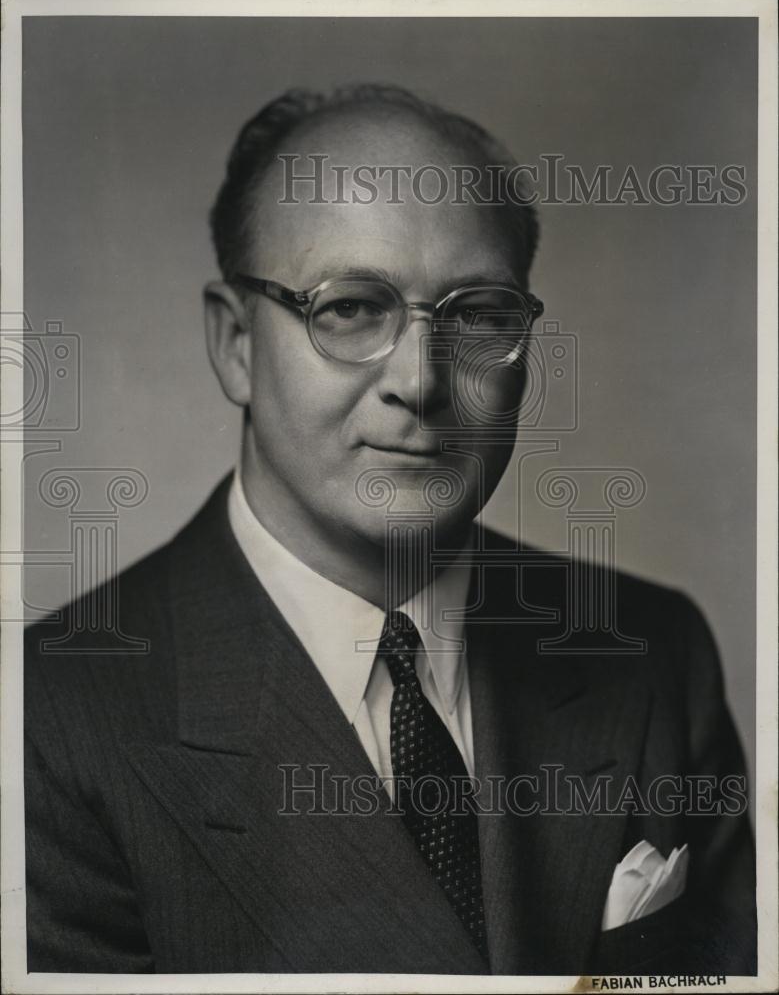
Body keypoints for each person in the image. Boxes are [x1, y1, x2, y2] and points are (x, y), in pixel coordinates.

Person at [24, 84, 756, 976]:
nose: (420, 378)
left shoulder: (651, 650)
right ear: (235, 345)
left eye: (479, 316)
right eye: (349, 308)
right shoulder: (45, 723)